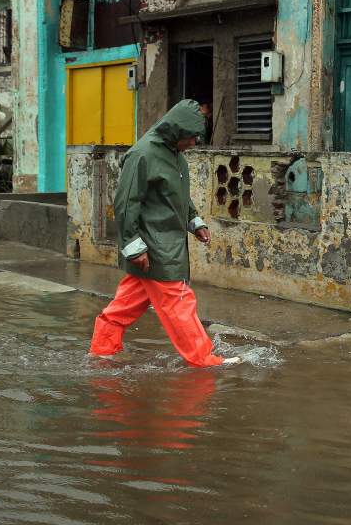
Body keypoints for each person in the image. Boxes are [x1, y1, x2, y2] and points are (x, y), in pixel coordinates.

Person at [89, 100, 239, 367]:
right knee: (179, 303)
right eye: (191, 137)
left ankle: (101, 351)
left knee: (124, 305)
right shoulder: (142, 155)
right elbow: (125, 204)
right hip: (156, 249)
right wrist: (134, 247)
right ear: (176, 131)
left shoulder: (175, 156)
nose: (194, 143)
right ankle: (204, 360)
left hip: (164, 245)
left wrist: (195, 222)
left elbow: (178, 197)